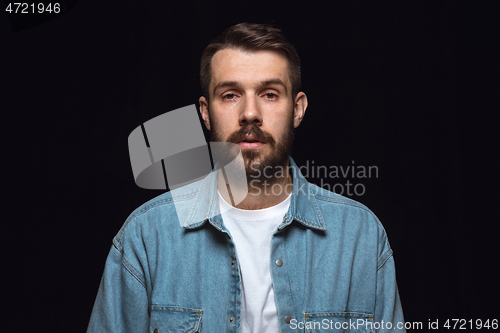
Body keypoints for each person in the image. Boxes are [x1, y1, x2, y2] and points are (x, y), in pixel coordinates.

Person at [87, 23, 406, 333]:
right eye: (230, 95)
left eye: (269, 94)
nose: (250, 113)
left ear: (298, 109)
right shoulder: (145, 236)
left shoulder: (360, 237)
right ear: (205, 112)